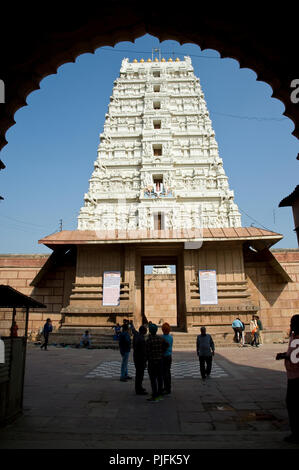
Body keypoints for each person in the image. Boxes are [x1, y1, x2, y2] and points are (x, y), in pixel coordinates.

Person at [276, 314, 299, 444]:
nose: (290, 326)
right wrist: (285, 355)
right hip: (292, 376)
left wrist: (286, 356)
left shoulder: (296, 338)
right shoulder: (294, 337)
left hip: (296, 378)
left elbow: (295, 357)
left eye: (292, 323)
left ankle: (296, 434)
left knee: (293, 406)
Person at [146, 323, 168, 402]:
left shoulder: (149, 340)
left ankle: (154, 395)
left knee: (153, 379)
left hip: (152, 361)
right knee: (159, 378)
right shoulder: (160, 338)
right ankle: (160, 394)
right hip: (160, 360)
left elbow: (147, 351)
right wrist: (162, 352)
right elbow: (167, 345)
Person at [133, 325, 148, 395]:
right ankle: (138, 390)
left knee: (138, 374)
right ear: (143, 331)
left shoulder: (137, 336)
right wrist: (145, 360)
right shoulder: (142, 340)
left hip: (136, 358)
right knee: (140, 375)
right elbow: (143, 352)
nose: (146, 331)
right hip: (140, 360)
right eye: (145, 330)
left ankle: (139, 387)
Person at [161, 322, 173, 395]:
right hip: (169, 356)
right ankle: (168, 387)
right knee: (168, 372)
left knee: (163, 373)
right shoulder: (171, 337)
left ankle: (165, 388)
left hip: (163, 357)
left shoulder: (162, 338)